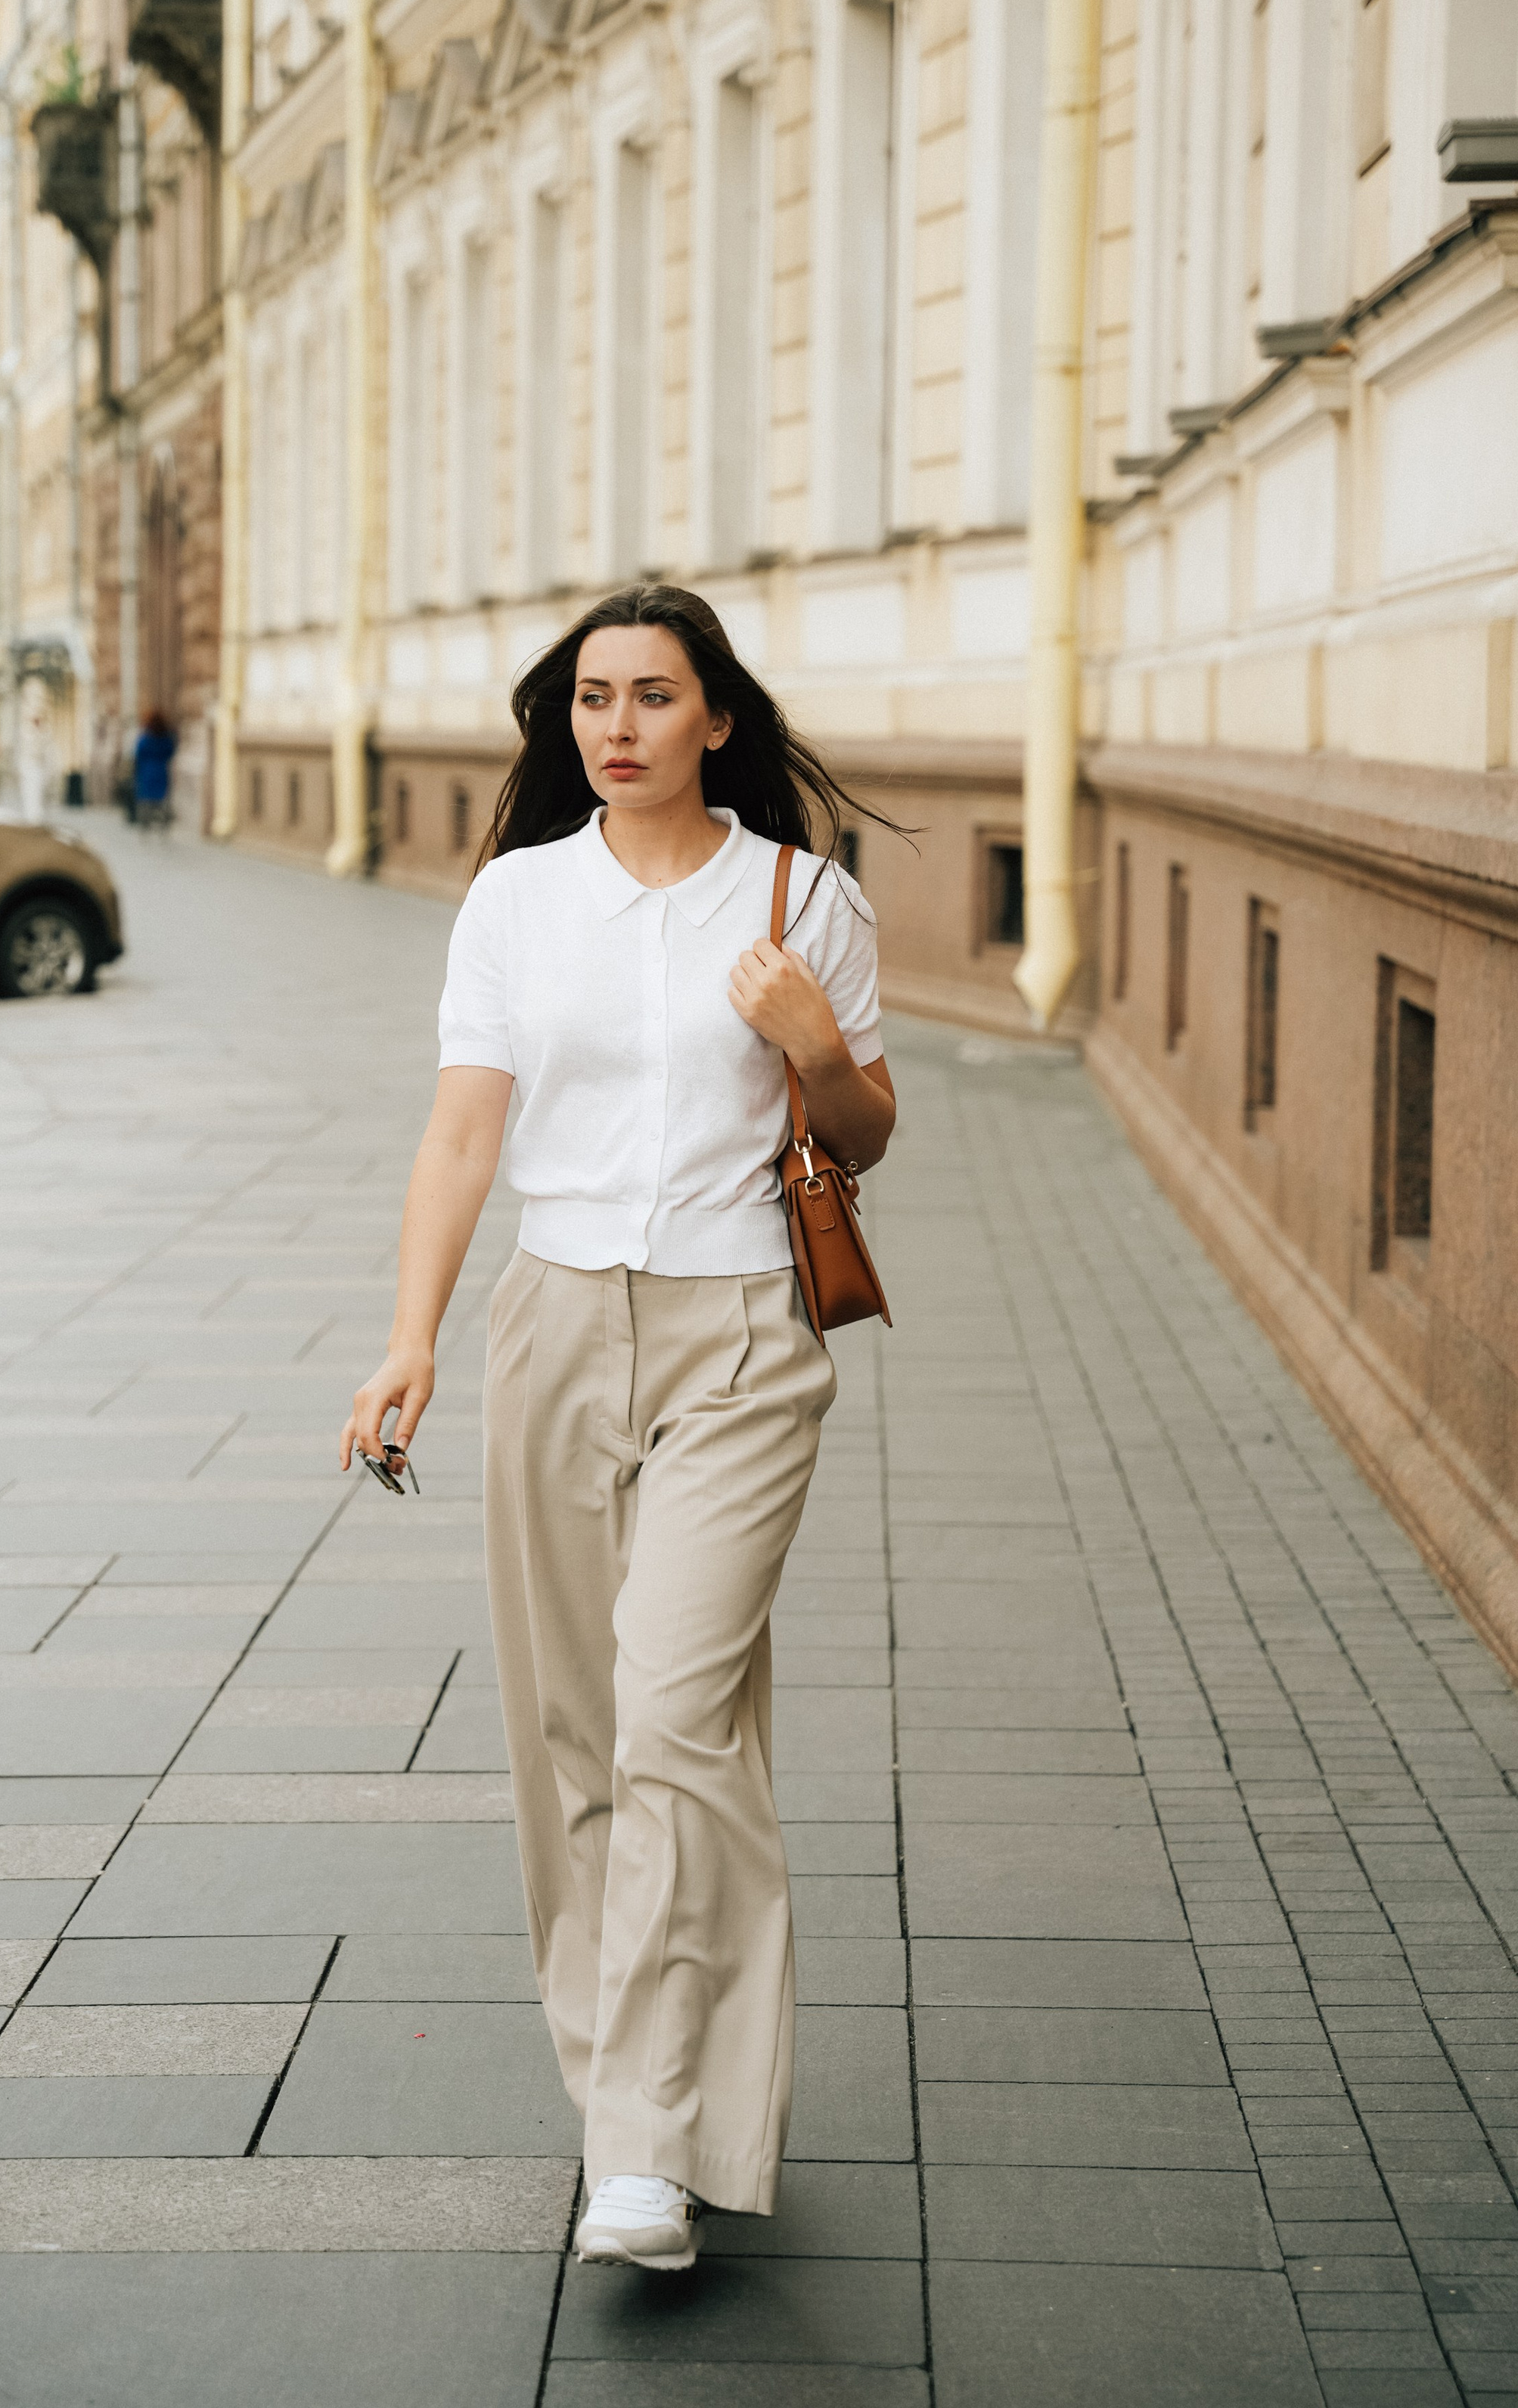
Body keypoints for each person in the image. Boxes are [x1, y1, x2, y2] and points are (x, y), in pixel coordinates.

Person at [340, 582, 899, 2273]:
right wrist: (409, 1338)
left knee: (673, 1720)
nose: (617, 727)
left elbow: (863, 1135)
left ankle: (652, 2146)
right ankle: (632, 2116)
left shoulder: (804, 900)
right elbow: (459, 1135)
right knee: (573, 1737)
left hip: (743, 1335)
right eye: (592, 698)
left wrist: (812, 1048)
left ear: (715, 718)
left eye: (653, 696)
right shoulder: (517, 901)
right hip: (557, 1318)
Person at [132, 709, 176, 830]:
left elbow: (138, 753)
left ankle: (145, 824)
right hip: (161, 770)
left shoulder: (145, 739)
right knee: (161, 800)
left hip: (147, 771)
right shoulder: (166, 739)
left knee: (146, 800)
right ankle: (162, 824)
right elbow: (171, 752)